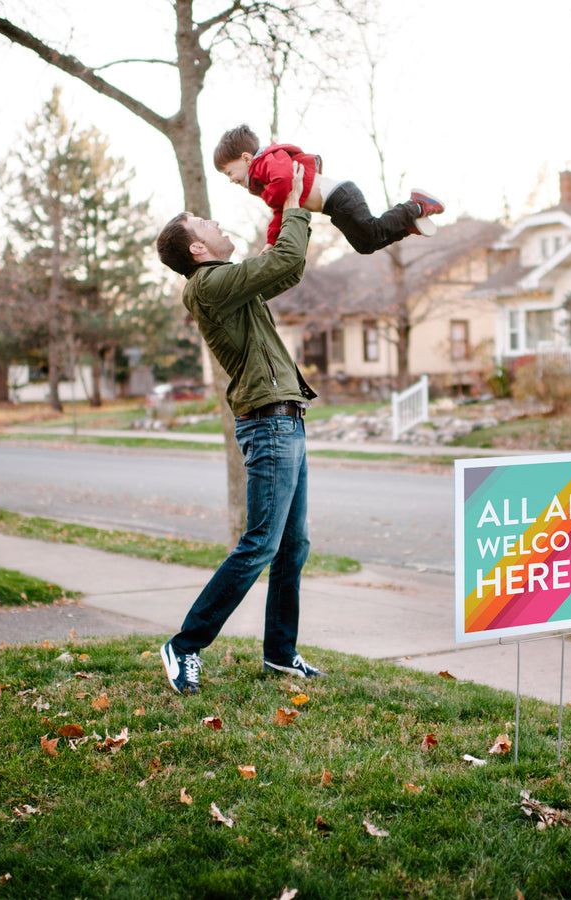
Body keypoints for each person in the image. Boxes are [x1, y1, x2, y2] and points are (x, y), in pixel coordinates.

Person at [155, 162, 323, 694]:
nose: (215, 223)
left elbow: (284, 267)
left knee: (292, 546)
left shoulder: (227, 285)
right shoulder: (209, 285)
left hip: (286, 420)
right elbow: (288, 259)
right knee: (260, 545)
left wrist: (281, 213)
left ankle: (279, 654)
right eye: (202, 221)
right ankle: (184, 645)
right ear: (197, 250)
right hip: (270, 425)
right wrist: (294, 200)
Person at [213, 124, 444, 255]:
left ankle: (416, 205)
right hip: (334, 207)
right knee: (365, 245)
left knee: (370, 230)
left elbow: (284, 181)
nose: (231, 179)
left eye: (229, 172)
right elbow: (280, 211)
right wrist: (271, 242)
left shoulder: (267, 161)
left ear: (245, 158)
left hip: (340, 196)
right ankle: (408, 225)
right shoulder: (264, 183)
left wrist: (271, 197)